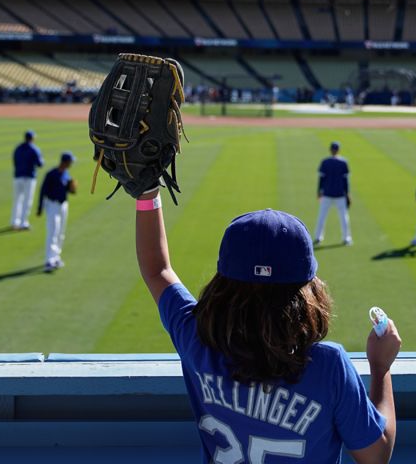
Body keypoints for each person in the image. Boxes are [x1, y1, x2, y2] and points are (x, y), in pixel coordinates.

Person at [134, 187, 401, 463]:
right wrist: (381, 368)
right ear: (308, 292)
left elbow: (157, 270)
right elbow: (376, 455)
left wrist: (147, 193)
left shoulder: (196, 337)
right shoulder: (330, 366)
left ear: (221, 282)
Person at [37, 152, 77, 271]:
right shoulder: (51, 174)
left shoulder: (66, 173)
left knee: (61, 233)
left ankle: (56, 257)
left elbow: (68, 190)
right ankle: (49, 260)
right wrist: (40, 208)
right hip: (52, 205)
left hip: (63, 205)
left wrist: (72, 189)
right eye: (70, 161)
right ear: (65, 162)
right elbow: (42, 191)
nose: (72, 163)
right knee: (52, 232)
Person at [314, 141, 352, 246]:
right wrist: (348, 194)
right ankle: (346, 238)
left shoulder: (325, 162)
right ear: (338, 150)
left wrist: (319, 192)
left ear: (330, 150)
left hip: (327, 194)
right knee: (344, 218)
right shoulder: (343, 162)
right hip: (340, 195)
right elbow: (346, 181)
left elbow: (321, 179)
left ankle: (318, 237)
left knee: (321, 217)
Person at [10, 130, 43, 231]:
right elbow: (40, 164)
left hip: (18, 177)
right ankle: (23, 222)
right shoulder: (34, 149)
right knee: (27, 200)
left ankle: (14, 221)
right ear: (32, 138)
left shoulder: (18, 148)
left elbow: (14, 161)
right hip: (29, 178)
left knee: (17, 200)